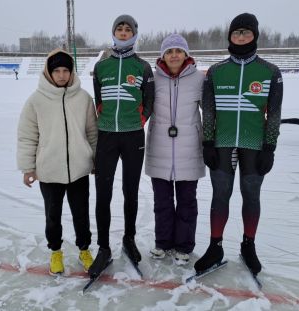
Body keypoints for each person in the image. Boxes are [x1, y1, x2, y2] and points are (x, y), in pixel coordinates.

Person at [194, 13, 283, 276]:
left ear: (255, 35)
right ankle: (215, 246)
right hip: (221, 144)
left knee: (251, 195)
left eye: (246, 32)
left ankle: (248, 245)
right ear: (230, 36)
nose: (241, 37)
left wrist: (270, 147)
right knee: (220, 196)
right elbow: (208, 111)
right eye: (236, 32)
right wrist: (207, 142)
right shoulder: (216, 71)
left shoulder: (270, 72)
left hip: (254, 145)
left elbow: (274, 114)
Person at [17, 49, 98, 275]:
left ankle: (84, 249)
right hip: (49, 170)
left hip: (79, 170)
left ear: (71, 73)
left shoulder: (83, 98)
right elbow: (27, 135)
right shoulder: (36, 101)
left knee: (81, 214)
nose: (61, 75)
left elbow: (92, 132)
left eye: (66, 70)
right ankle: (55, 252)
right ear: (49, 73)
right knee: (52, 216)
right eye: (57, 71)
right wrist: (28, 168)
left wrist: (95, 159)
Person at [88, 14, 155, 277]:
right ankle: (103, 248)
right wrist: (104, 116)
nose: (124, 32)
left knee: (131, 191)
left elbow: (150, 99)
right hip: (106, 135)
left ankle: (129, 238)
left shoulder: (142, 67)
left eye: (128, 29)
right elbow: (99, 99)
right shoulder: (102, 66)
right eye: (120, 28)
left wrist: (140, 119)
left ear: (135, 34)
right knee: (103, 193)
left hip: (133, 136)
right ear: (114, 32)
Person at [145, 34, 206, 265]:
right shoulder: (153, 79)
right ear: (162, 56)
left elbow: (209, 113)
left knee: (187, 202)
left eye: (178, 51)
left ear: (186, 54)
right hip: (159, 148)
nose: (174, 55)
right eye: (169, 52)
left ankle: (183, 246)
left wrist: (209, 142)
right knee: (162, 202)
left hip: (189, 149)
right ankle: (163, 243)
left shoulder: (199, 80)